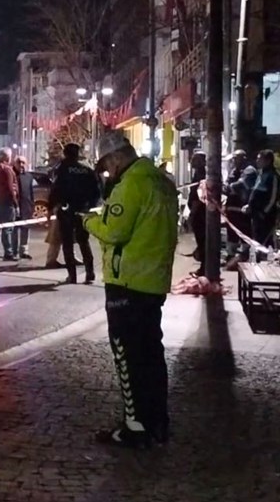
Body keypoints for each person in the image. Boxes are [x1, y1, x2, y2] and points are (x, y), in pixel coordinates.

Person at [84, 132, 178, 448]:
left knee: (127, 354)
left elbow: (115, 231)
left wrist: (88, 222)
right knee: (152, 354)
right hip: (153, 281)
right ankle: (157, 421)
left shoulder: (131, 184)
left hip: (127, 282)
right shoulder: (162, 181)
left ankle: (135, 425)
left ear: (116, 157)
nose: (107, 171)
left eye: (107, 164)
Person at [48, 143, 100, 284]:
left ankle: (72, 276)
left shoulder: (62, 169)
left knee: (67, 243)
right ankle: (90, 273)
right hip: (83, 210)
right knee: (84, 241)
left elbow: (55, 189)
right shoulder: (86, 170)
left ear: (65, 153)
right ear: (77, 154)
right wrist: (89, 206)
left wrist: (51, 207)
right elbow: (96, 191)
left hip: (67, 210)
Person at [222, 150, 257, 269]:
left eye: (236, 158)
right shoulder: (234, 171)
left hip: (242, 210)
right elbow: (227, 184)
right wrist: (227, 186)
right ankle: (231, 257)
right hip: (231, 209)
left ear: (243, 158)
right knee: (231, 235)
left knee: (244, 234)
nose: (234, 161)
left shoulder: (249, 170)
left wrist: (229, 187)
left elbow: (240, 185)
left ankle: (246, 258)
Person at [244, 150, 279, 259]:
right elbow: (255, 192)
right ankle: (258, 262)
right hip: (255, 215)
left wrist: (264, 212)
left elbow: (273, 197)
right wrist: (249, 205)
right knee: (257, 240)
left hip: (266, 216)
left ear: (268, 161)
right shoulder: (261, 174)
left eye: (260, 158)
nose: (257, 160)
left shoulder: (273, 176)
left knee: (267, 242)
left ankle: (269, 264)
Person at [0, 148, 20, 261]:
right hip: (7, 202)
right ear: (7, 157)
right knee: (7, 228)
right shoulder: (7, 170)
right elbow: (11, 188)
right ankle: (8, 252)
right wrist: (15, 203)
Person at [13, 156, 36, 259]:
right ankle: (14, 252)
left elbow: (31, 192)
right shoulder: (12, 175)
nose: (21, 165)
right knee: (14, 230)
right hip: (15, 207)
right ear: (15, 163)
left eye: (23, 163)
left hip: (27, 207)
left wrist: (32, 205)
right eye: (19, 162)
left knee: (25, 230)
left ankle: (24, 251)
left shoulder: (28, 176)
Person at [187, 151, 207, 265]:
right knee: (201, 239)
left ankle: (204, 266)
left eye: (195, 159)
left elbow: (198, 196)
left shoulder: (201, 175)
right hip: (199, 211)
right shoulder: (198, 173)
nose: (192, 161)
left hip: (200, 212)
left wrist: (193, 213)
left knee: (202, 239)